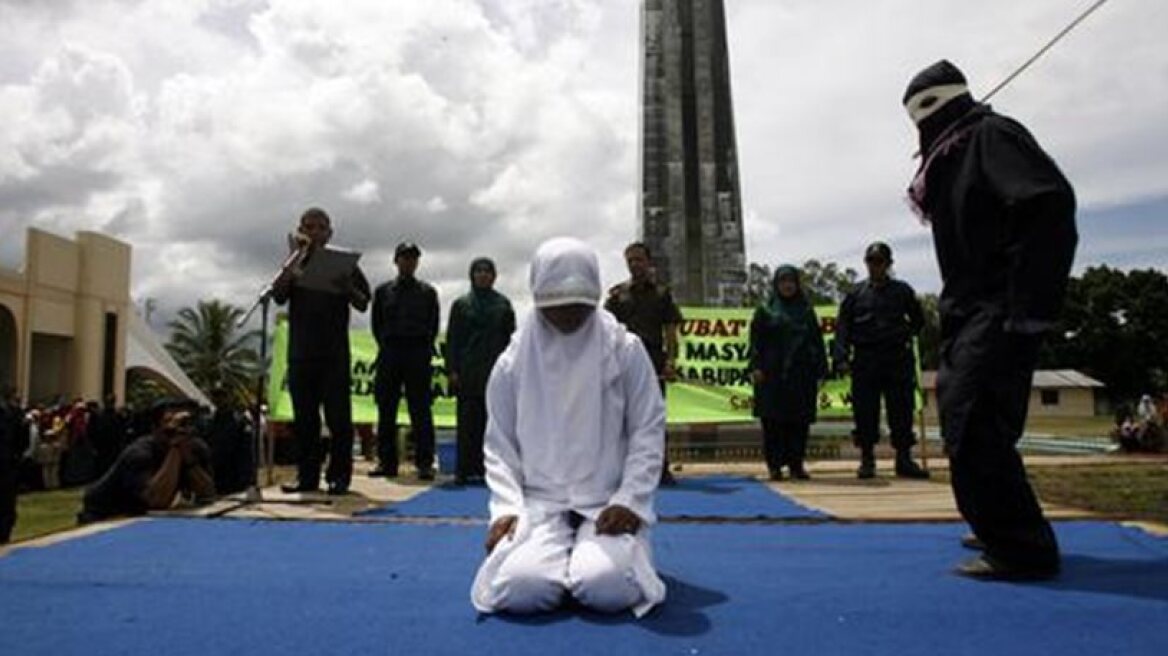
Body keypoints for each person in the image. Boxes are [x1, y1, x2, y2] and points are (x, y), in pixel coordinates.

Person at [903, 60, 1077, 580]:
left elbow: (1049, 204)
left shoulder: (991, 136)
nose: (919, 130)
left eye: (923, 115)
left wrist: (1027, 301)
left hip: (1000, 306)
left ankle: (1022, 548)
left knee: (973, 418)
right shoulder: (951, 154)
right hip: (966, 308)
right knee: (973, 417)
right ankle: (995, 520)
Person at [470, 237, 667, 617]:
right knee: (520, 590)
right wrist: (506, 508)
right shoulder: (512, 361)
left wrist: (629, 499)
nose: (568, 315)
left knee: (606, 588)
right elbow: (499, 444)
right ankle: (559, 561)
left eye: (579, 304)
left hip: (608, 502)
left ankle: (598, 556)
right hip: (539, 502)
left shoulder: (624, 349)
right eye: (555, 306)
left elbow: (647, 428)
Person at [271, 207, 370, 495]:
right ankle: (307, 478)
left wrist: (346, 287)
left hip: (334, 354)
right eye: (309, 227)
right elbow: (277, 296)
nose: (314, 232)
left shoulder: (343, 264)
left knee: (339, 419)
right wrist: (291, 271)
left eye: (320, 227)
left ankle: (339, 477)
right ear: (300, 230)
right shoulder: (293, 261)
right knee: (305, 420)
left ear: (330, 232)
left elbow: (364, 302)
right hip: (301, 353)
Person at [833, 242, 929, 480]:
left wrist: (904, 335)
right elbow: (843, 328)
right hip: (866, 359)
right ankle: (867, 459)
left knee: (901, 410)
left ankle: (904, 458)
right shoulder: (855, 295)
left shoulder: (902, 291)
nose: (875, 266)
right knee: (865, 411)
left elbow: (918, 320)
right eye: (871, 261)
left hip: (896, 359)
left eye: (879, 261)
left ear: (888, 264)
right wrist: (841, 356)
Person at [604, 242, 683, 485]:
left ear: (649, 262)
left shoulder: (662, 294)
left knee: (653, 417)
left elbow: (670, 332)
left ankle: (659, 468)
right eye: (630, 260)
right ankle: (622, 470)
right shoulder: (617, 296)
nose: (635, 264)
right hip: (623, 363)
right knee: (621, 417)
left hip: (653, 361)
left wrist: (671, 362)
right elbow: (605, 330)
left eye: (639, 260)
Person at [78, 399, 216, 524]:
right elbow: (156, 501)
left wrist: (187, 457)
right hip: (105, 515)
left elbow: (207, 493)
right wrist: (175, 449)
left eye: (187, 425)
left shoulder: (196, 448)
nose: (180, 431)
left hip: (142, 514)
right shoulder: (139, 454)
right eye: (169, 427)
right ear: (154, 429)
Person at [749, 265, 828, 480]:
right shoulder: (765, 310)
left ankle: (796, 465)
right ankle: (774, 466)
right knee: (773, 422)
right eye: (783, 281)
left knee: (799, 422)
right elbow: (755, 342)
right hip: (771, 375)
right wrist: (755, 367)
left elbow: (816, 342)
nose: (787, 285)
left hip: (801, 375)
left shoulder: (806, 311)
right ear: (776, 284)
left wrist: (821, 369)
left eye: (791, 281)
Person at [371, 242, 440, 480]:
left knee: (420, 409)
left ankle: (424, 463)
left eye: (413, 258)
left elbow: (433, 325)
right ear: (396, 260)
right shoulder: (383, 292)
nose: (409, 262)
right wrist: (387, 346)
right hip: (390, 352)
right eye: (404, 258)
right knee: (386, 409)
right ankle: (386, 462)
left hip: (417, 353)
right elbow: (376, 325)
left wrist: (421, 347)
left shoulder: (428, 292)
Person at [445, 257, 516, 485]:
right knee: (467, 422)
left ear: (494, 276)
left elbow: (511, 340)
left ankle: (492, 470)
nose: (483, 275)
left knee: (493, 423)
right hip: (468, 370)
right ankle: (464, 470)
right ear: (472, 275)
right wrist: (452, 370)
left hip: (495, 371)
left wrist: (511, 371)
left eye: (488, 271)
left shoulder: (503, 305)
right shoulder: (461, 305)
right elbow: (453, 339)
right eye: (478, 271)